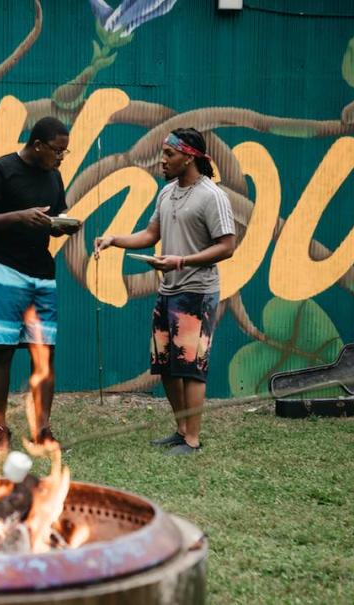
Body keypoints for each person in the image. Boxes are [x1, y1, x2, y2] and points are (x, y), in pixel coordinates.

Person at [94, 128, 236, 455]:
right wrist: (114, 239)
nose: (163, 160)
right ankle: (181, 429)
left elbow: (227, 247)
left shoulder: (212, 196)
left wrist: (181, 261)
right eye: (163, 153)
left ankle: (193, 440)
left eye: (170, 154)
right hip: (168, 290)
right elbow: (150, 234)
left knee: (191, 367)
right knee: (167, 365)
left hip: (197, 293)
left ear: (190, 157)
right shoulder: (167, 192)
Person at [0, 117, 80, 453]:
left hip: (42, 273)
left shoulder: (54, 177)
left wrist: (61, 225)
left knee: (44, 352)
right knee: (2, 350)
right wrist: (18, 215)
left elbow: (54, 216)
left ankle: (42, 429)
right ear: (37, 145)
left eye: (65, 151)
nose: (61, 158)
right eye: (57, 151)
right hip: (2, 269)